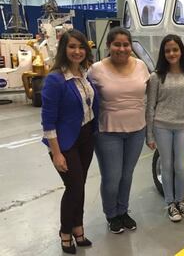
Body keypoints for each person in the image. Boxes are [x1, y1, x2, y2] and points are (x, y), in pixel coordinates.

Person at [41, 29, 98, 254]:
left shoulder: (85, 74)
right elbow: (48, 121)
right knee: (73, 187)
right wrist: (56, 153)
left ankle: (78, 227)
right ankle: (65, 232)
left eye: (81, 47)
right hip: (65, 142)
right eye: (72, 46)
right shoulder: (55, 79)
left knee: (80, 187)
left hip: (85, 136)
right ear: (64, 50)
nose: (77, 51)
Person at [88, 27, 149, 233]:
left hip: (137, 130)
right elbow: (85, 99)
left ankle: (123, 210)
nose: (122, 48)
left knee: (127, 175)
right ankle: (111, 214)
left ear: (131, 46)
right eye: (117, 44)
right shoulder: (96, 69)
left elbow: (147, 95)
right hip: (108, 131)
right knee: (112, 177)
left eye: (126, 44)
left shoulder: (141, 66)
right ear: (108, 46)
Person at [146, 34, 184, 222]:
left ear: (181, 51)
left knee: (180, 167)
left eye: (175, 49)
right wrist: (150, 135)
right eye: (167, 50)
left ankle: (180, 200)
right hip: (161, 126)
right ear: (163, 53)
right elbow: (150, 106)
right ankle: (170, 203)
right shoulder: (156, 77)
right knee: (167, 166)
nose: (171, 53)